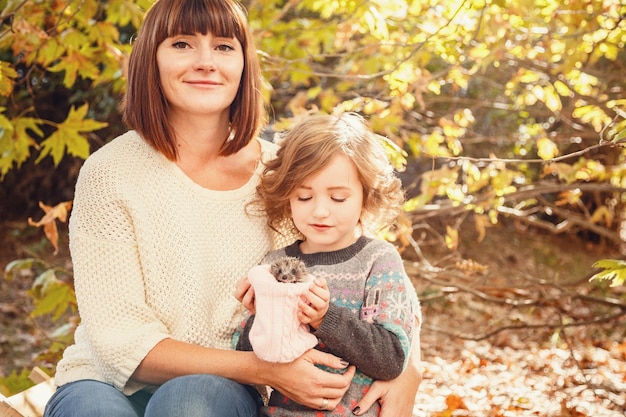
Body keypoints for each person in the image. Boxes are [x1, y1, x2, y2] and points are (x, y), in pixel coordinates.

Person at [43, 1, 421, 416]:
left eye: (223, 47)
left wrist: (408, 370)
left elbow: (368, 263)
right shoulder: (111, 173)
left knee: (188, 404)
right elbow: (119, 341)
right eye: (183, 43)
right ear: (151, 57)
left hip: (222, 392)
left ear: (244, 64)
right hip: (106, 382)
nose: (206, 62)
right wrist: (264, 369)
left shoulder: (284, 176)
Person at [233, 113, 421, 417]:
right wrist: (262, 315)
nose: (320, 211)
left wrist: (325, 318)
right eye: (304, 196)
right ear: (288, 196)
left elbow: (392, 357)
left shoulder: (378, 261)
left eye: (338, 197)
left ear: (365, 195)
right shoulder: (276, 266)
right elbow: (248, 361)